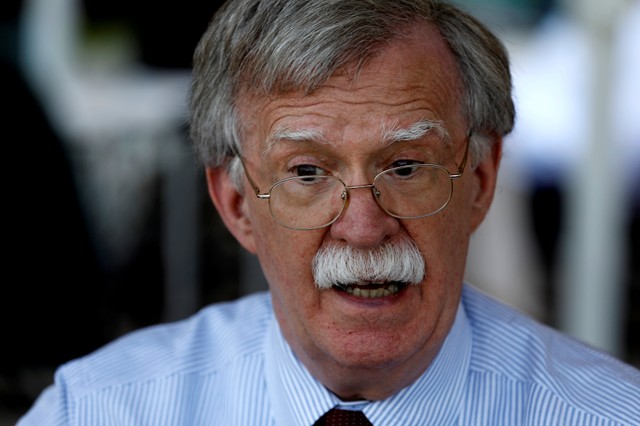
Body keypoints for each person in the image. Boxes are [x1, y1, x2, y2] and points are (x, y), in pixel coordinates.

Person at [19, 0, 640, 424]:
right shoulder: (103, 410)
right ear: (236, 204)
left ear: (479, 181)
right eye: (308, 174)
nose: (364, 227)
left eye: (405, 167)